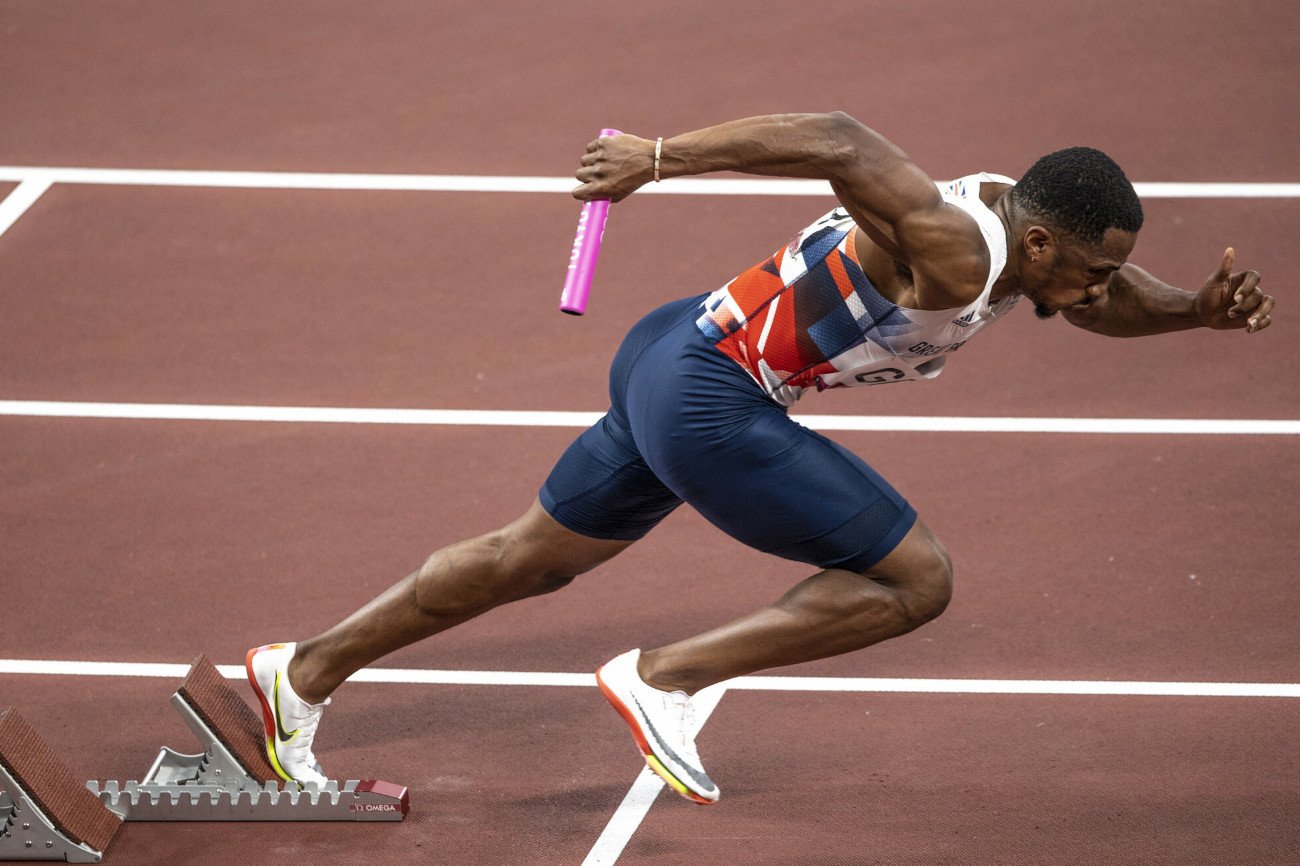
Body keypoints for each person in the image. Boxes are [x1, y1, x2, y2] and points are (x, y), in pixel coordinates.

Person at [246, 112, 1274, 805]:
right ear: (1042, 246)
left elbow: (1105, 300)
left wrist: (1193, 314)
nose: (1103, 290)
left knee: (532, 555)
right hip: (711, 395)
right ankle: (665, 679)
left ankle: (303, 670)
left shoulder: (1020, 235)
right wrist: (658, 157)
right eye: (1095, 269)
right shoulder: (960, 248)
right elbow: (837, 138)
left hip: (669, 350)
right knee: (918, 580)